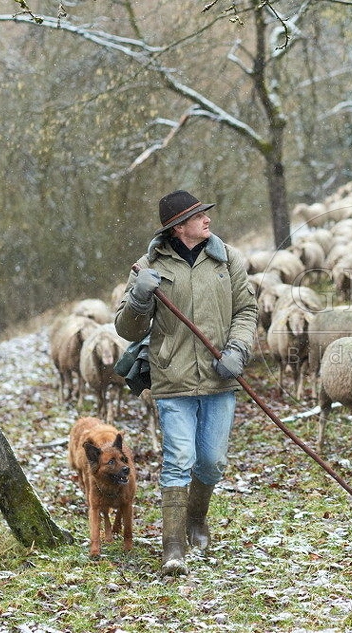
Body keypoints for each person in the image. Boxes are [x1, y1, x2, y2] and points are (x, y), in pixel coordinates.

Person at [115, 189, 257, 576]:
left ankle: (196, 519)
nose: (208, 219)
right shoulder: (149, 266)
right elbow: (128, 328)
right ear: (179, 228)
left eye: (206, 214)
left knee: (211, 462)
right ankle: (173, 547)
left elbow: (246, 310)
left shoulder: (228, 260)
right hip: (172, 380)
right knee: (178, 461)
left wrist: (238, 349)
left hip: (219, 378)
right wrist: (140, 299)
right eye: (199, 216)